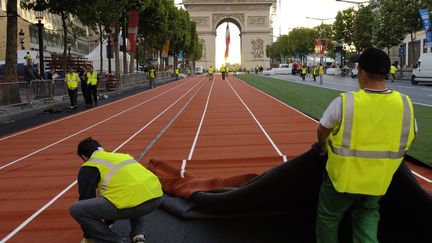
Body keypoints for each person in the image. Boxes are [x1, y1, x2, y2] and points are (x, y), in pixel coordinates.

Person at [315, 48, 416, 243]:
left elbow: (322, 130)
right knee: (367, 217)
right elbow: (411, 135)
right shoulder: (405, 104)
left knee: (328, 218)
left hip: (341, 180)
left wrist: (323, 145)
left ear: (361, 72)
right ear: (387, 73)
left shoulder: (345, 102)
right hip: (378, 181)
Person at [69, 137, 163, 243]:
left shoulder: (89, 166)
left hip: (134, 203)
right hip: (156, 197)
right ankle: (138, 234)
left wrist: (89, 234)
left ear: (84, 157)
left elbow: (85, 198)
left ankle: (115, 240)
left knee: (77, 209)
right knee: (133, 191)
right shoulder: (122, 156)